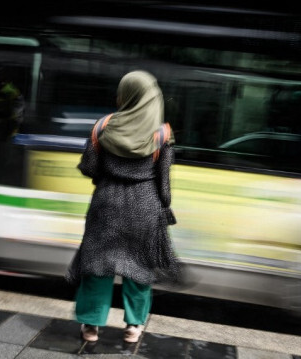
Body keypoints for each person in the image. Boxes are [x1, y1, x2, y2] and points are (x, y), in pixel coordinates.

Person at [65, 70, 182, 343]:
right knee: (139, 269)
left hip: (105, 205)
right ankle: (133, 327)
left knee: (98, 266)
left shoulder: (103, 126)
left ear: (126, 95)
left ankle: (91, 326)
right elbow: (164, 185)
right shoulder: (162, 134)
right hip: (145, 209)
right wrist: (163, 206)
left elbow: (89, 167)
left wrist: (105, 177)